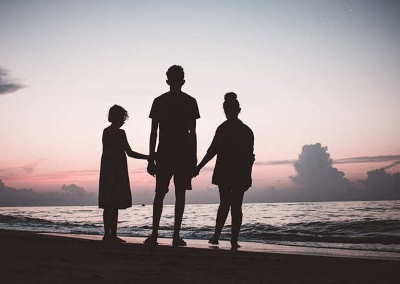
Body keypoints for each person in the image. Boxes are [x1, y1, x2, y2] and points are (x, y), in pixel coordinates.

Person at [145, 65, 200, 247]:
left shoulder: (160, 101)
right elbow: (193, 133)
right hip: (180, 155)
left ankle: (155, 234)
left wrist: (151, 158)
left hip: (166, 154)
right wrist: (194, 159)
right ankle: (174, 235)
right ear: (183, 81)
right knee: (178, 194)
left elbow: (153, 132)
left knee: (161, 194)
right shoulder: (190, 101)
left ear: (167, 81)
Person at [194, 92, 254, 249]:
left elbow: (212, 151)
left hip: (227, 172)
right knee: (235, 206)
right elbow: (249, 158)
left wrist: (199, 167)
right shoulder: (245, 130)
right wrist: (248, 176)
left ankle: (218, 236)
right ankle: (231, 238)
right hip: (236, 172)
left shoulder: (226, 129)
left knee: (226, 204)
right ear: (238, 110)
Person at [99, 105, 150, 242]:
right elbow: (130, 152)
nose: (124, 120)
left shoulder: (106, 132)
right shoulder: (120, 133)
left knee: (108, 204)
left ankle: (107, 234)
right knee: (113, 204)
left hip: (106, 169)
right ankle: (113, 235)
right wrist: (148, 157)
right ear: (119, 117)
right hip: (117, 170)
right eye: (123, 117)